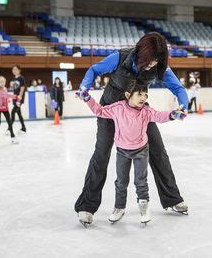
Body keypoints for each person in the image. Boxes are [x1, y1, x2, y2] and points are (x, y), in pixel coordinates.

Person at [74, 32, 189, 226]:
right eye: (151, 60)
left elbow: (178, 89)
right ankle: (87, 206)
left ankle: (172, 199)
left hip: (139, 112)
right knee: (101, 154)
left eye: (157, 61)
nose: (153, 65)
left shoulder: (159, 66)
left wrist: (183, 106)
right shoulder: (120, 58)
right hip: (112, 112)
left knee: (159, 152)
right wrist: (85, 86)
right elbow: (94, 70)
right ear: (142, 53)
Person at [78, 81, 186, 224]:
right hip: (122, 151)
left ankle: (144, 208)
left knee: (140, 181)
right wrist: (87, 98)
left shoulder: (146, 111)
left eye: (146, 95)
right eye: (140, 94)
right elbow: (99, 110)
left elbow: (160, 116)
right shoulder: (117, 108)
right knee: (121, 182)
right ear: (128, 95)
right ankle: (119, 207)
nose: (143, 98)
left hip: (141, 151)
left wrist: (173, 115)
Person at [0, 76, 20, 146]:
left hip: (5, 108)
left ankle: (12, 136)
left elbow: (6, 97)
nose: (3, 83)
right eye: (1, 81)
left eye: (4, 82)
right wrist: (15, 96)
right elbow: (4, 95)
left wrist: (8, 100)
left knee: (9, 122)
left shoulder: (5, 88)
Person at [10, 65, 27, 133]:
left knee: (13, 112)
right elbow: (14, 89)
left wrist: (19, 99)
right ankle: (23, 128)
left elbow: (22, 88)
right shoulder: (14, 78)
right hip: (15, 97)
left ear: (19, 70)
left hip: (19, 98)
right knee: (19, 113)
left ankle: (9, 128)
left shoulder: (21, 78)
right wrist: (11, 85)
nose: (14, 71)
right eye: (13, 69)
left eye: (16, 69)